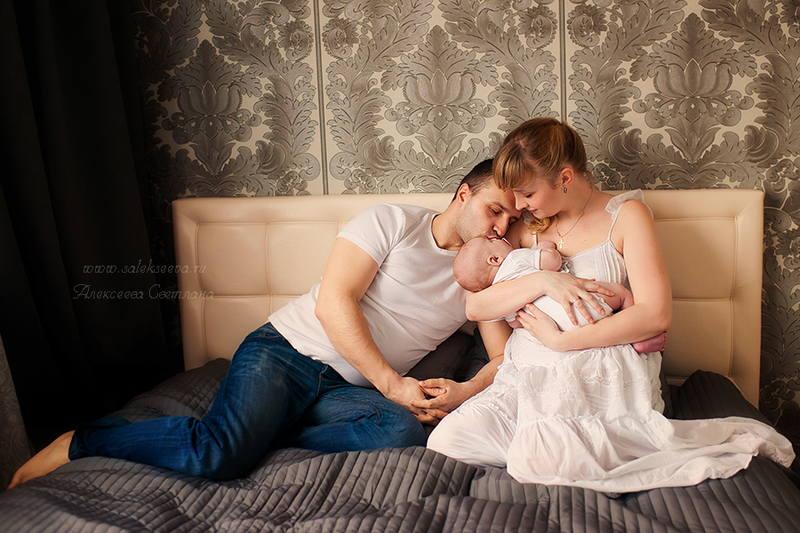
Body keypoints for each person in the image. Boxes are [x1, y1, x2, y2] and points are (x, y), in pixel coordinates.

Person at [9, 159, 611, 489]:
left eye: (511, 221)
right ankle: (81, 441)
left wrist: (463, 390)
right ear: (462, 195)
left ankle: (260, 434)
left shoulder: (487, 277)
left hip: (344, 391)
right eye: (493, 210)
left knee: (401, 431)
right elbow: (333, 305)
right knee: (219, 454)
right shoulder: (391, 223)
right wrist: (392, 383)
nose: (499, 228)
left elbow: (503, 358)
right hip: (287, 353)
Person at [427, 118, 794, 492]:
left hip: (594, 366)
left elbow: (655, 313)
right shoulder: (526, 227)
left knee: (546, 455)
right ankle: (546, 444)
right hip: (527, 372)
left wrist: (562, 341)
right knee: (447, 440)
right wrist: (543, 281)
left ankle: (558, 445)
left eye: (527, 194)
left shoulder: (627, 216)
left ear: (565, 178)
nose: (518, 206)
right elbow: (477, 306)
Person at [453, 236, 666, 353]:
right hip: (582, 305)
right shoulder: (515, 258)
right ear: (494, 259)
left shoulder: (498, 293)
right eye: (492, 240)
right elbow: (552, 262)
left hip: (554, 326)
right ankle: (637, 338)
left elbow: (516, 323)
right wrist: (544, 247)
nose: (499, 237)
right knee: (620, 292)